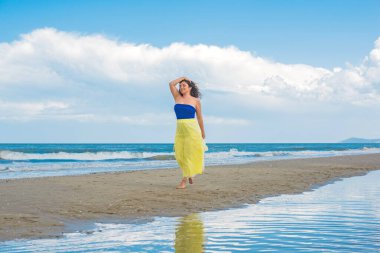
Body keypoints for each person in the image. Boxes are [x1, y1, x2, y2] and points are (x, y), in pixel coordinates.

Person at [169, 76, 207, 189]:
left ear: (190, 87)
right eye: (180, 86)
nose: (181, 87)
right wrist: (183, 78)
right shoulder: (177, 97)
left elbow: (200, 118)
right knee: (180, 155)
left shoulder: (196, 101)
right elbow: (171, 84)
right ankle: (190, 173)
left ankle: (184, 181)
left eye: (184, 85)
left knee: (190, 154)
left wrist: (203, 132)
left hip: (192, 130)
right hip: (180, 130)